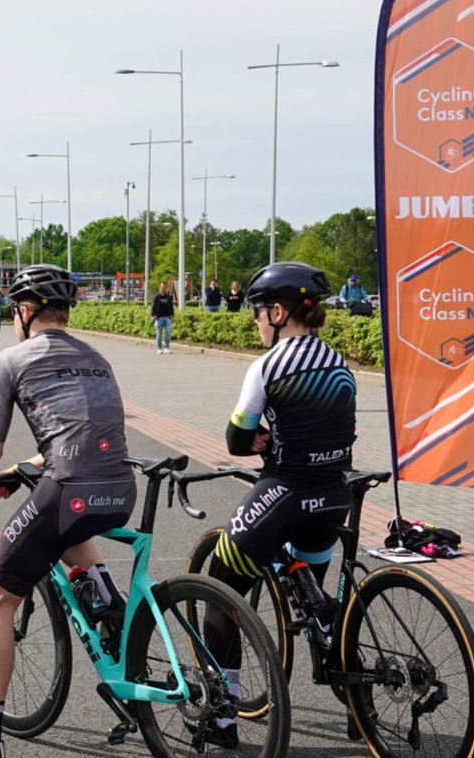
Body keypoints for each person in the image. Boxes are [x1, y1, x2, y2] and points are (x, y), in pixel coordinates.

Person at [0, 264, 136, 758]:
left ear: (24, 312)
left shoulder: (10, 360)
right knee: (66, 520)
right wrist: (25, 468)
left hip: (68, 489)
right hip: (120, 487)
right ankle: (106, 595)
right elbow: (82, 440)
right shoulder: (99, 358)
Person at [200, 262, 356, 748]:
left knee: (219, 590)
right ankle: (358, 702)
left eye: (258, 312)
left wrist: (262, 442)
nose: (255, 321)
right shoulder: (339, 361)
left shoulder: (267, 366)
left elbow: (235, 439)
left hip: (285, 494)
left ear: (279, 311)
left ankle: (222, 717)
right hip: (335, 497)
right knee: (321, 606)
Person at [150, 281, 176, 354]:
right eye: (162, 287)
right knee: (159, 334)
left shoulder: (169, 297)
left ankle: (166, 347)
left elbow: (171, 307)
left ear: (166, 288)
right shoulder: (156, 297)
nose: (163, 289)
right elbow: (153, 307)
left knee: (168, 332)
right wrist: (153, 315)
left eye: (164, 287)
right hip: (158, 318)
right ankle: (159, 348)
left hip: (167, 317)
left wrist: (172, 316)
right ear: (159, 288)